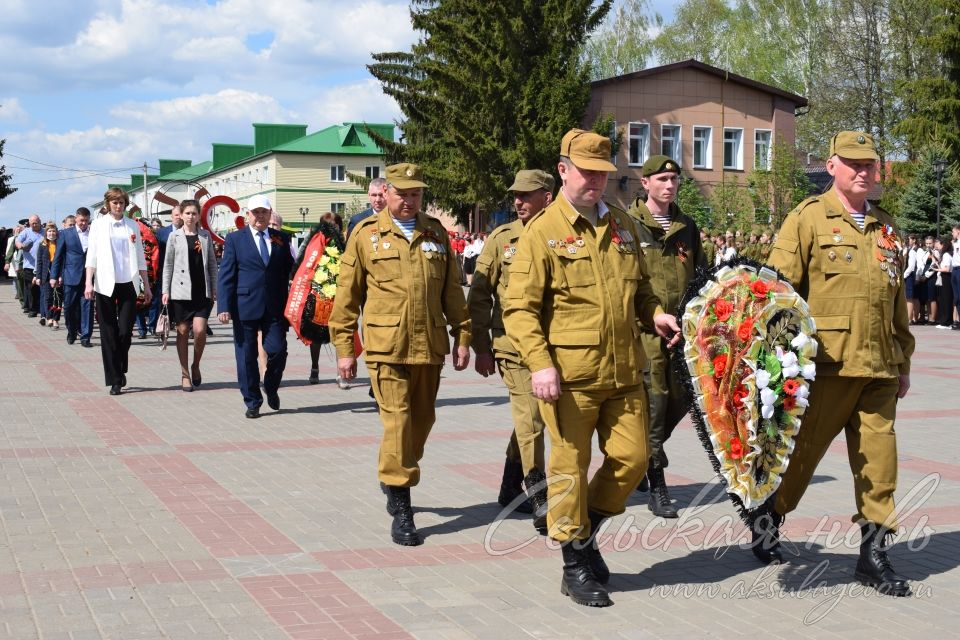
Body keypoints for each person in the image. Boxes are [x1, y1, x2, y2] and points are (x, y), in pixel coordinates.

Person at [502, 129, 680, 608]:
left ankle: (584, 533)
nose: (596, 182)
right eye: (587, 172)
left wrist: (655, 314)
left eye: (603, 173)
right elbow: (518, 309)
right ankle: (573, 564)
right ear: (563, 170)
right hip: (570, 378)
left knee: (634, 460)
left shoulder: (621, 225)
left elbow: (641, 290)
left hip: (624, 373)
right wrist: (540, 364)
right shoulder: (542, 231)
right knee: (568, 470)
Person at [758, 131, 915, 597]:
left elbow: (898, 304)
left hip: (879, 367)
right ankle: (770, 510)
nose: (863, 171)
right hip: (825, 366)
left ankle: (874, 552)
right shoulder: (807, 219)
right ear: (832, 166)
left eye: (869, 164)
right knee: (801, 458)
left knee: (879, 462)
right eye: (853, 164)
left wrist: (903, 360)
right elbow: (777, 290)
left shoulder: (886, 229)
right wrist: (779, 359)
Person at [330, 163, 471, 548]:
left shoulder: (436, 233)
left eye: (416, 194)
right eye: (402, 193)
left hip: (429, 344)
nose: (409, 201)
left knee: (422, 421)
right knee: (398, 421)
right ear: (386, 193)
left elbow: (453, 293)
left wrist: (463, 336)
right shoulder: (365, 234)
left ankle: (393, 469)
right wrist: (346, 350)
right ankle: (403, 501)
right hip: (385, 347)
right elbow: (347, 298)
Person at [468, 169, 554, 532]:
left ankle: (508, 484)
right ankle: (538, 494)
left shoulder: (561, 235)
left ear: (547, 197)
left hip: (553, 346)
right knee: (533, 419)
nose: (517, 201)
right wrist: (482, 347)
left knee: (530, 420)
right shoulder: (503, 238)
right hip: (512, 346)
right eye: (515, 195)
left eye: (526, 195)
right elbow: (479, 295)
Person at [627, 156, 707, 518]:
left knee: (682, 399)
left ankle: (647, 454)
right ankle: (657, 482)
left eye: (674, 179)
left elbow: (701, 275)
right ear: (645, 183)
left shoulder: (686, 226)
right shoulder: (628, 225)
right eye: (662, 179)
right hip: (644, 330)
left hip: (682, 331)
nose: (669, 185)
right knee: (655, 401)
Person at [217, 195, 294, 418]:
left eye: (264, 212)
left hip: (275, 306)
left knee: (278, 350)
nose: (260, 216)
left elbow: (292, 270)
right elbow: (226, 275)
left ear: (270, 214)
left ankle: (270, 386)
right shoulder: (235, 239)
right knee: (246, 356)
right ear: (247, 215)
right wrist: (224, 306)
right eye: (255, 212)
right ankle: (252, 400)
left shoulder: (281, 238)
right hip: (245, 305)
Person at [84, 188, 152, 395]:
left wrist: (146, 285)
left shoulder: (132, 225)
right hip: (105, 283)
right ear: (107, 204)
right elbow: (92, 256)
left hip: (128, 283)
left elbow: (140, 257)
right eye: (114, 202)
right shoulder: (98, 225)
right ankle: (115, 379)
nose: (118, 205)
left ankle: (120, 365)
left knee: (124, 332)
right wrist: (89, 282)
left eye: (121, 202)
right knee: (108, 333)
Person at [162, 199, 218, 391]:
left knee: (200, 330)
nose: (190, 217)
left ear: (198, 216)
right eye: (187, 213)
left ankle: (196, 365)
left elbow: (212, 263)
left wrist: (215, 287)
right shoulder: (174, 236)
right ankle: (185, 373)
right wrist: (165, 290)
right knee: (183, 332)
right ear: (181, 215)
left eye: (194, 213)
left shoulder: (205, 236)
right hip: (180, 292)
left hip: (202, 292)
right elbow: (167, 265)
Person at [293, 219, 346, 385]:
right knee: (315, 336)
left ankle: (341, 372)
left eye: (335, 225)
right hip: (317, 296)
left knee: (340, 334)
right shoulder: (313, 244)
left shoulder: (344, 246)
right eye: (328, 225)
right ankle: (314, 367)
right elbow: (302, 265)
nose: (332, 229)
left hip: (339, 296)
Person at [51, 208, 95, 346]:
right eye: (81, 220)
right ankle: (72, 331)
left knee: (87, 307)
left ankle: (85, 337)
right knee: (69, 307)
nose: (83, 223)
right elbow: (58, 256)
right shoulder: (65, 234)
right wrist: (54, 276)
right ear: (76, 219)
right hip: (70, 276)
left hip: (89, 277)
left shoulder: (94, 233)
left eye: (86, 220)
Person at [15, 215, 43, 317]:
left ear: (40, 222)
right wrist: (21, 246)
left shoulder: (44, 232)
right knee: (31, 288)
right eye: (32, 224)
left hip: (42, 265)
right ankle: (33, 309)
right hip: (29, 266)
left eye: (36, 223)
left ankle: (41, 308)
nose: (34, 225)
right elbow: (17, 241)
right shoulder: (26, 231)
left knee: (41, 288)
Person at [35, 223, 62, 329]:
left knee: (58, 298)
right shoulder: (42, 245)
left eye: (53, 231)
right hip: (46, 274)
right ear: (46, 233)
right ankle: (49, 317)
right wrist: (38, 277)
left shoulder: (60, 243)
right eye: (49, 231)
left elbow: (63, 260)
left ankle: (56, 319)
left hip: (58, 273)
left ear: (56, 232)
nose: (51, 233)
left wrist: (61, 275)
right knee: (48, 297)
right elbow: (39, 262)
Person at [934, 237, 954, 328]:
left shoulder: (946, 255)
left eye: (938, 243)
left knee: (946, 300)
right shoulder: (945, 254)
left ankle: (946, 322)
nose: (936, 245)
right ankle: (945, 321)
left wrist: (936, 269)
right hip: (945, 278)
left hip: (946, 278)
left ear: (943, 244)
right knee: (943, 299)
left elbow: (946, 269)